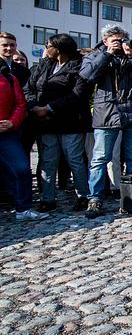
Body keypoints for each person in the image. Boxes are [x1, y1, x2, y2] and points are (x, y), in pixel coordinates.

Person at [79, 26, 132, 218]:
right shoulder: (96, 55)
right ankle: (95, 198)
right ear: (105, 41)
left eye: (121, 40)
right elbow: (87, 76)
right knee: (100, 159)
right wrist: (107, 54)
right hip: (107, 113)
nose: (119, 43)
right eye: (114, 40)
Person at [27, 34, 91, 213]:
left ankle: (83, 196)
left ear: (59, 48)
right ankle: (47, 198)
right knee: (48, 161)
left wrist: (49, 107)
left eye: (48, 45)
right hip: (45, 122)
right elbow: (30, 87)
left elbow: (77, 95)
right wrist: (34, 107)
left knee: (74, 160)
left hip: (70, 122)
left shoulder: (78, 66)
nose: (45, 48)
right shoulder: (44, 65)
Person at [0, 58, 34, 220]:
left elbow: (20, 103)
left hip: (8, 133)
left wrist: (12, 122)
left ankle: (24, 208)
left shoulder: (9, 78)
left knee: (21, 169)